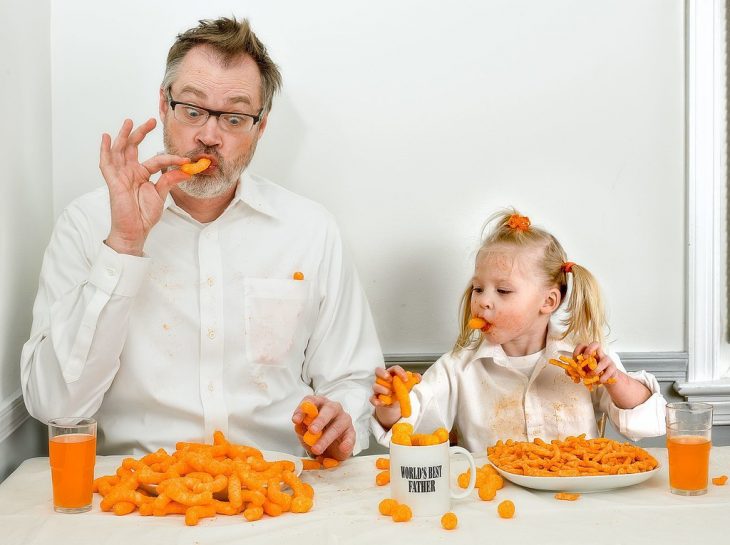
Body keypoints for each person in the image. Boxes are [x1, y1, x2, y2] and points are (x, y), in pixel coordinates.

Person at [20, 17, 382, 460]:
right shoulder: (86, 224)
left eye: (233, 117)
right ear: (163, 103)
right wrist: (123, 246)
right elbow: (57, 407)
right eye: (192, 110)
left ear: (260, 127)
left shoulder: (311, 229)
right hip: (138, 494)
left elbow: (353, 379)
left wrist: (342, 417)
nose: (209, 136)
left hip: (279, 486)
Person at [370, 209, 666, 452]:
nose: (483, 301)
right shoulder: (458, 368)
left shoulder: (586, 360)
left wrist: (615, 380)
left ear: (548, 301)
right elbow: (408, 426)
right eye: (478, 288)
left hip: (576, 501)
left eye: (503, 290)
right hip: (493, 506)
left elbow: (649, 423)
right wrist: (393, 404)